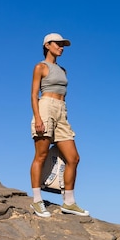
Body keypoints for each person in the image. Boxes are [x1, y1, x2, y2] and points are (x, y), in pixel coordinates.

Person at [29, 32, 89, 217]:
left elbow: (64, 94)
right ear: (47, 45)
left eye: (63, 45)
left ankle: (69, 202)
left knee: (74, 158)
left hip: (62, 111)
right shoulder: (40, 67)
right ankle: (37, 200)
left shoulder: (63, 70)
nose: (61, 47)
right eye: (58, 44)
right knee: (41, 155)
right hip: (45, 107)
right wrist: (38, 118)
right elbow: (33, 95)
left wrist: (62, 114)